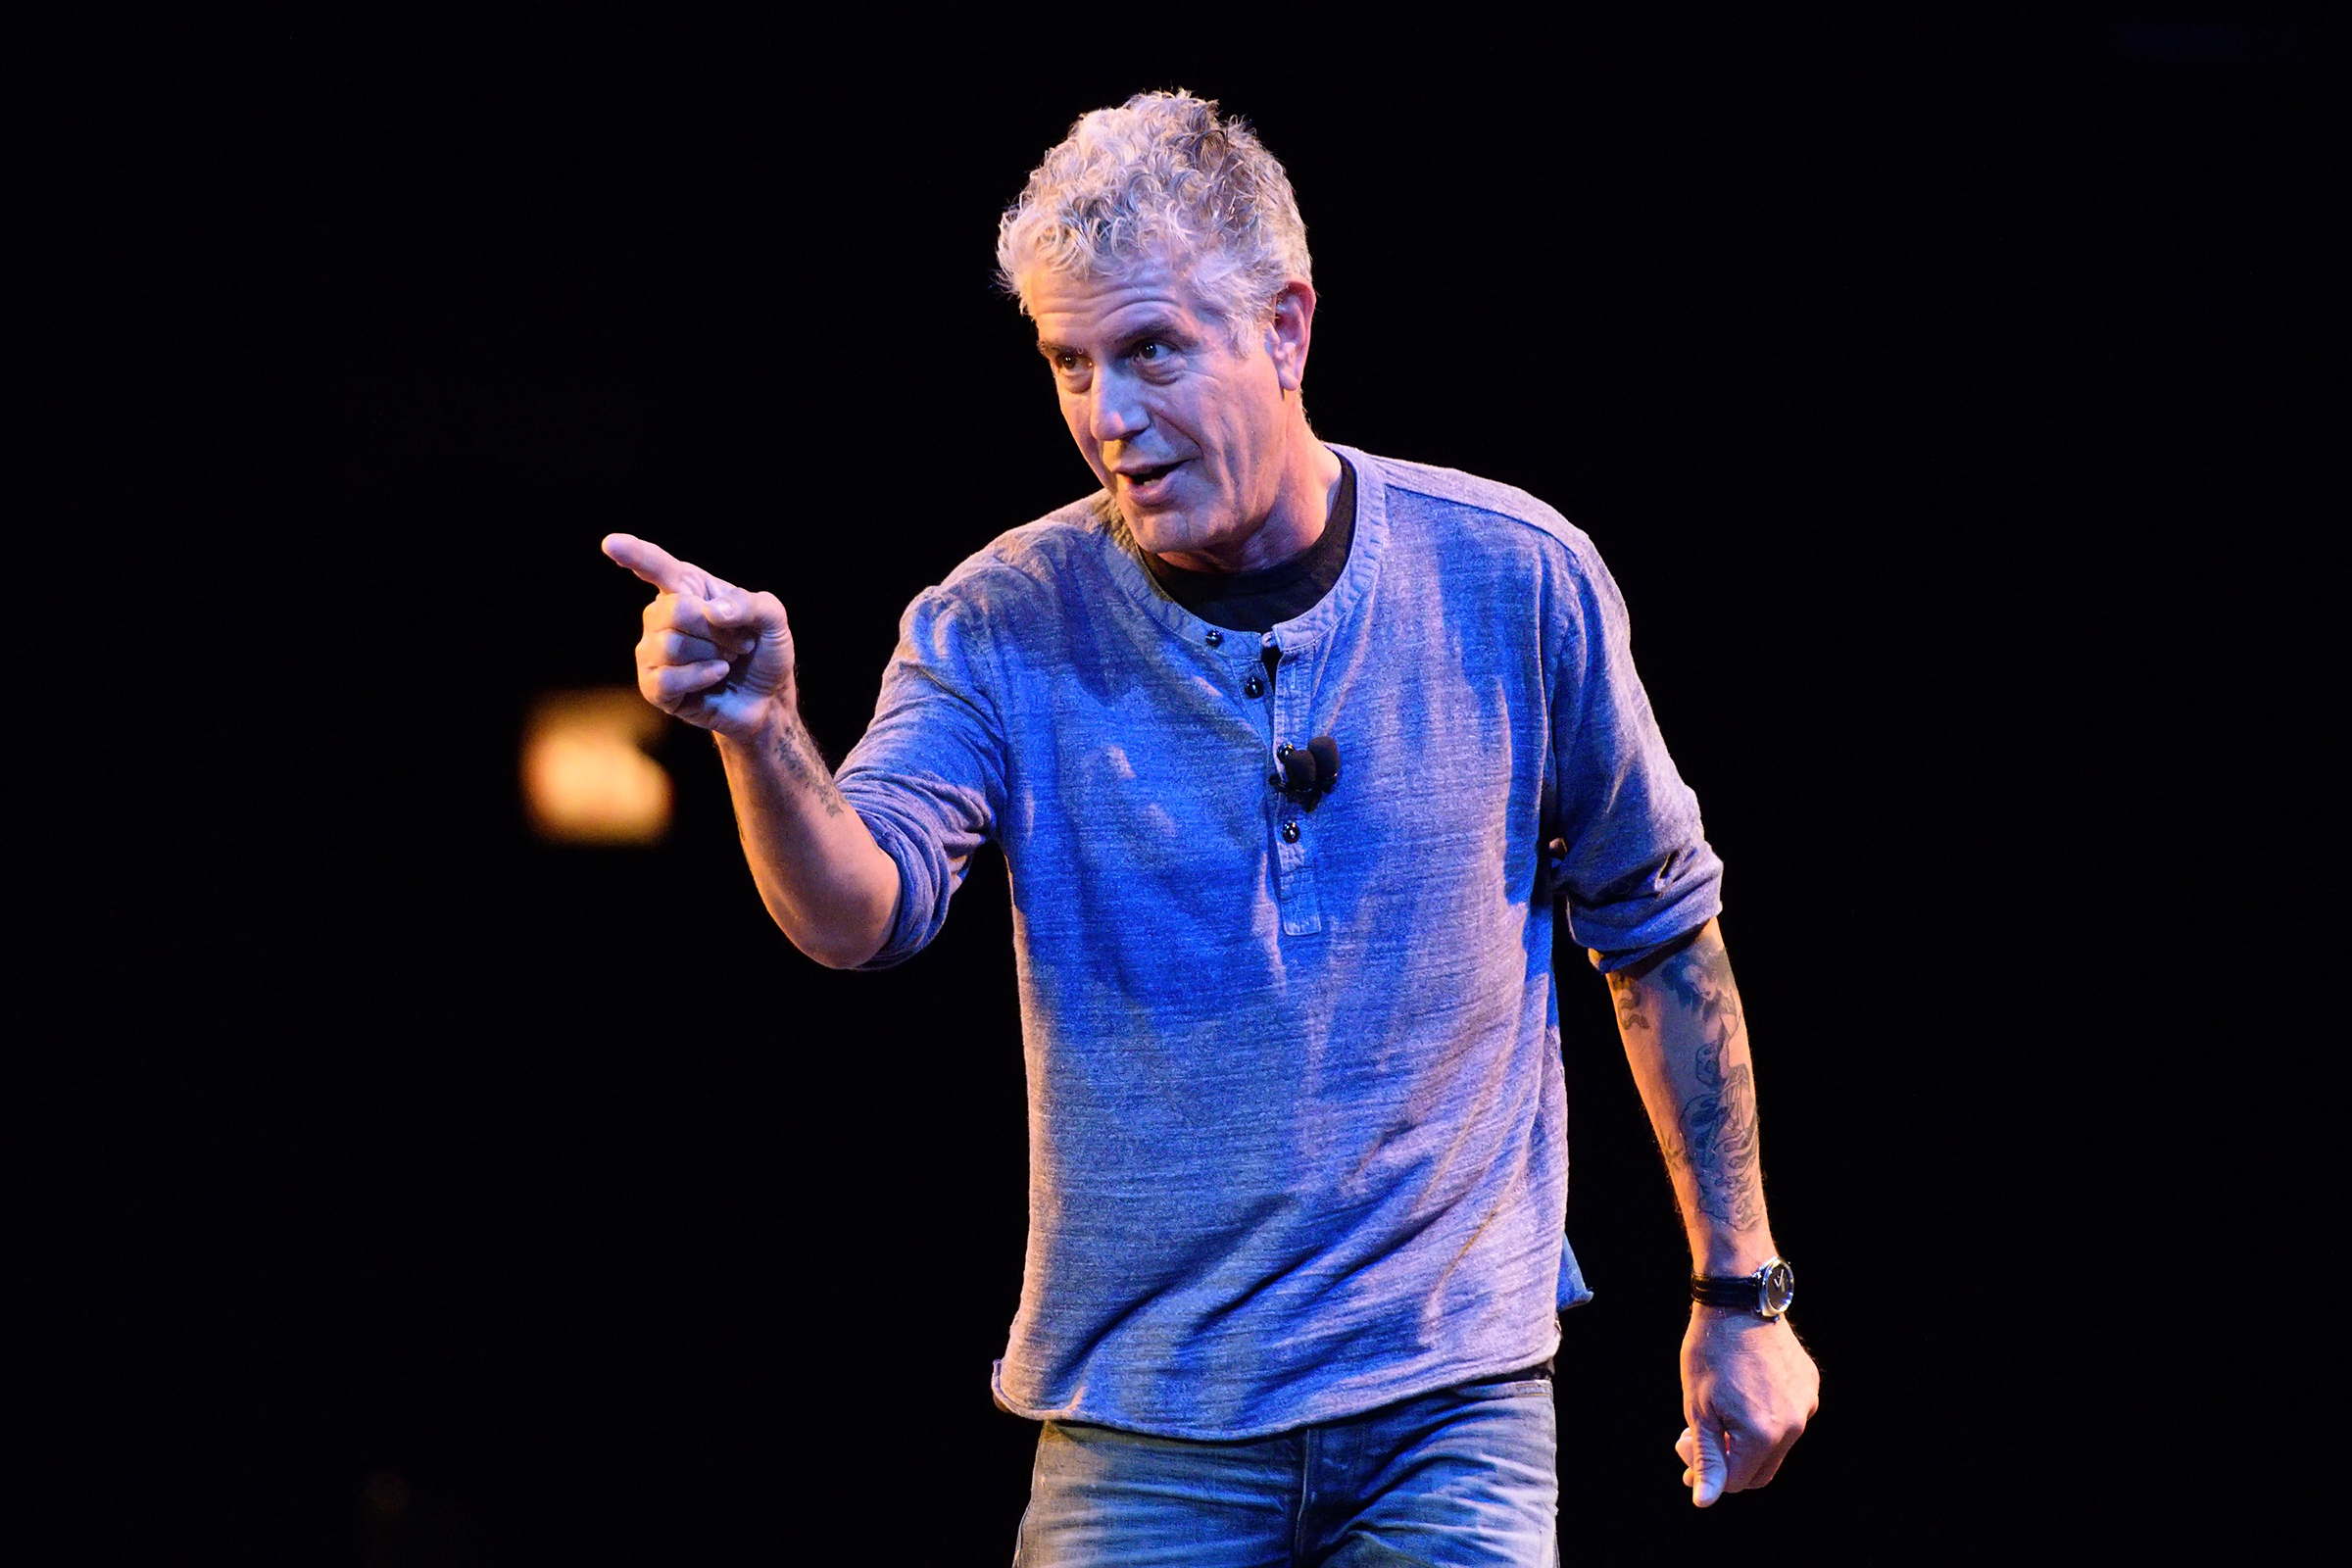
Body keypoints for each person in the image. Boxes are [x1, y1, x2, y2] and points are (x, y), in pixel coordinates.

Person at [604, 90, 1817, 1566]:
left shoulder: (1513, 579)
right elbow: (864, 911)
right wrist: (764, 737)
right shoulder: (997, 621)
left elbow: (1660, 934)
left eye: (1152, 350)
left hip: (1450, 1406)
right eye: (1070, 364)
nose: (1108, 417)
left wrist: (1739, 1297)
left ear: (1287, 327)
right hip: (1142, 1430)